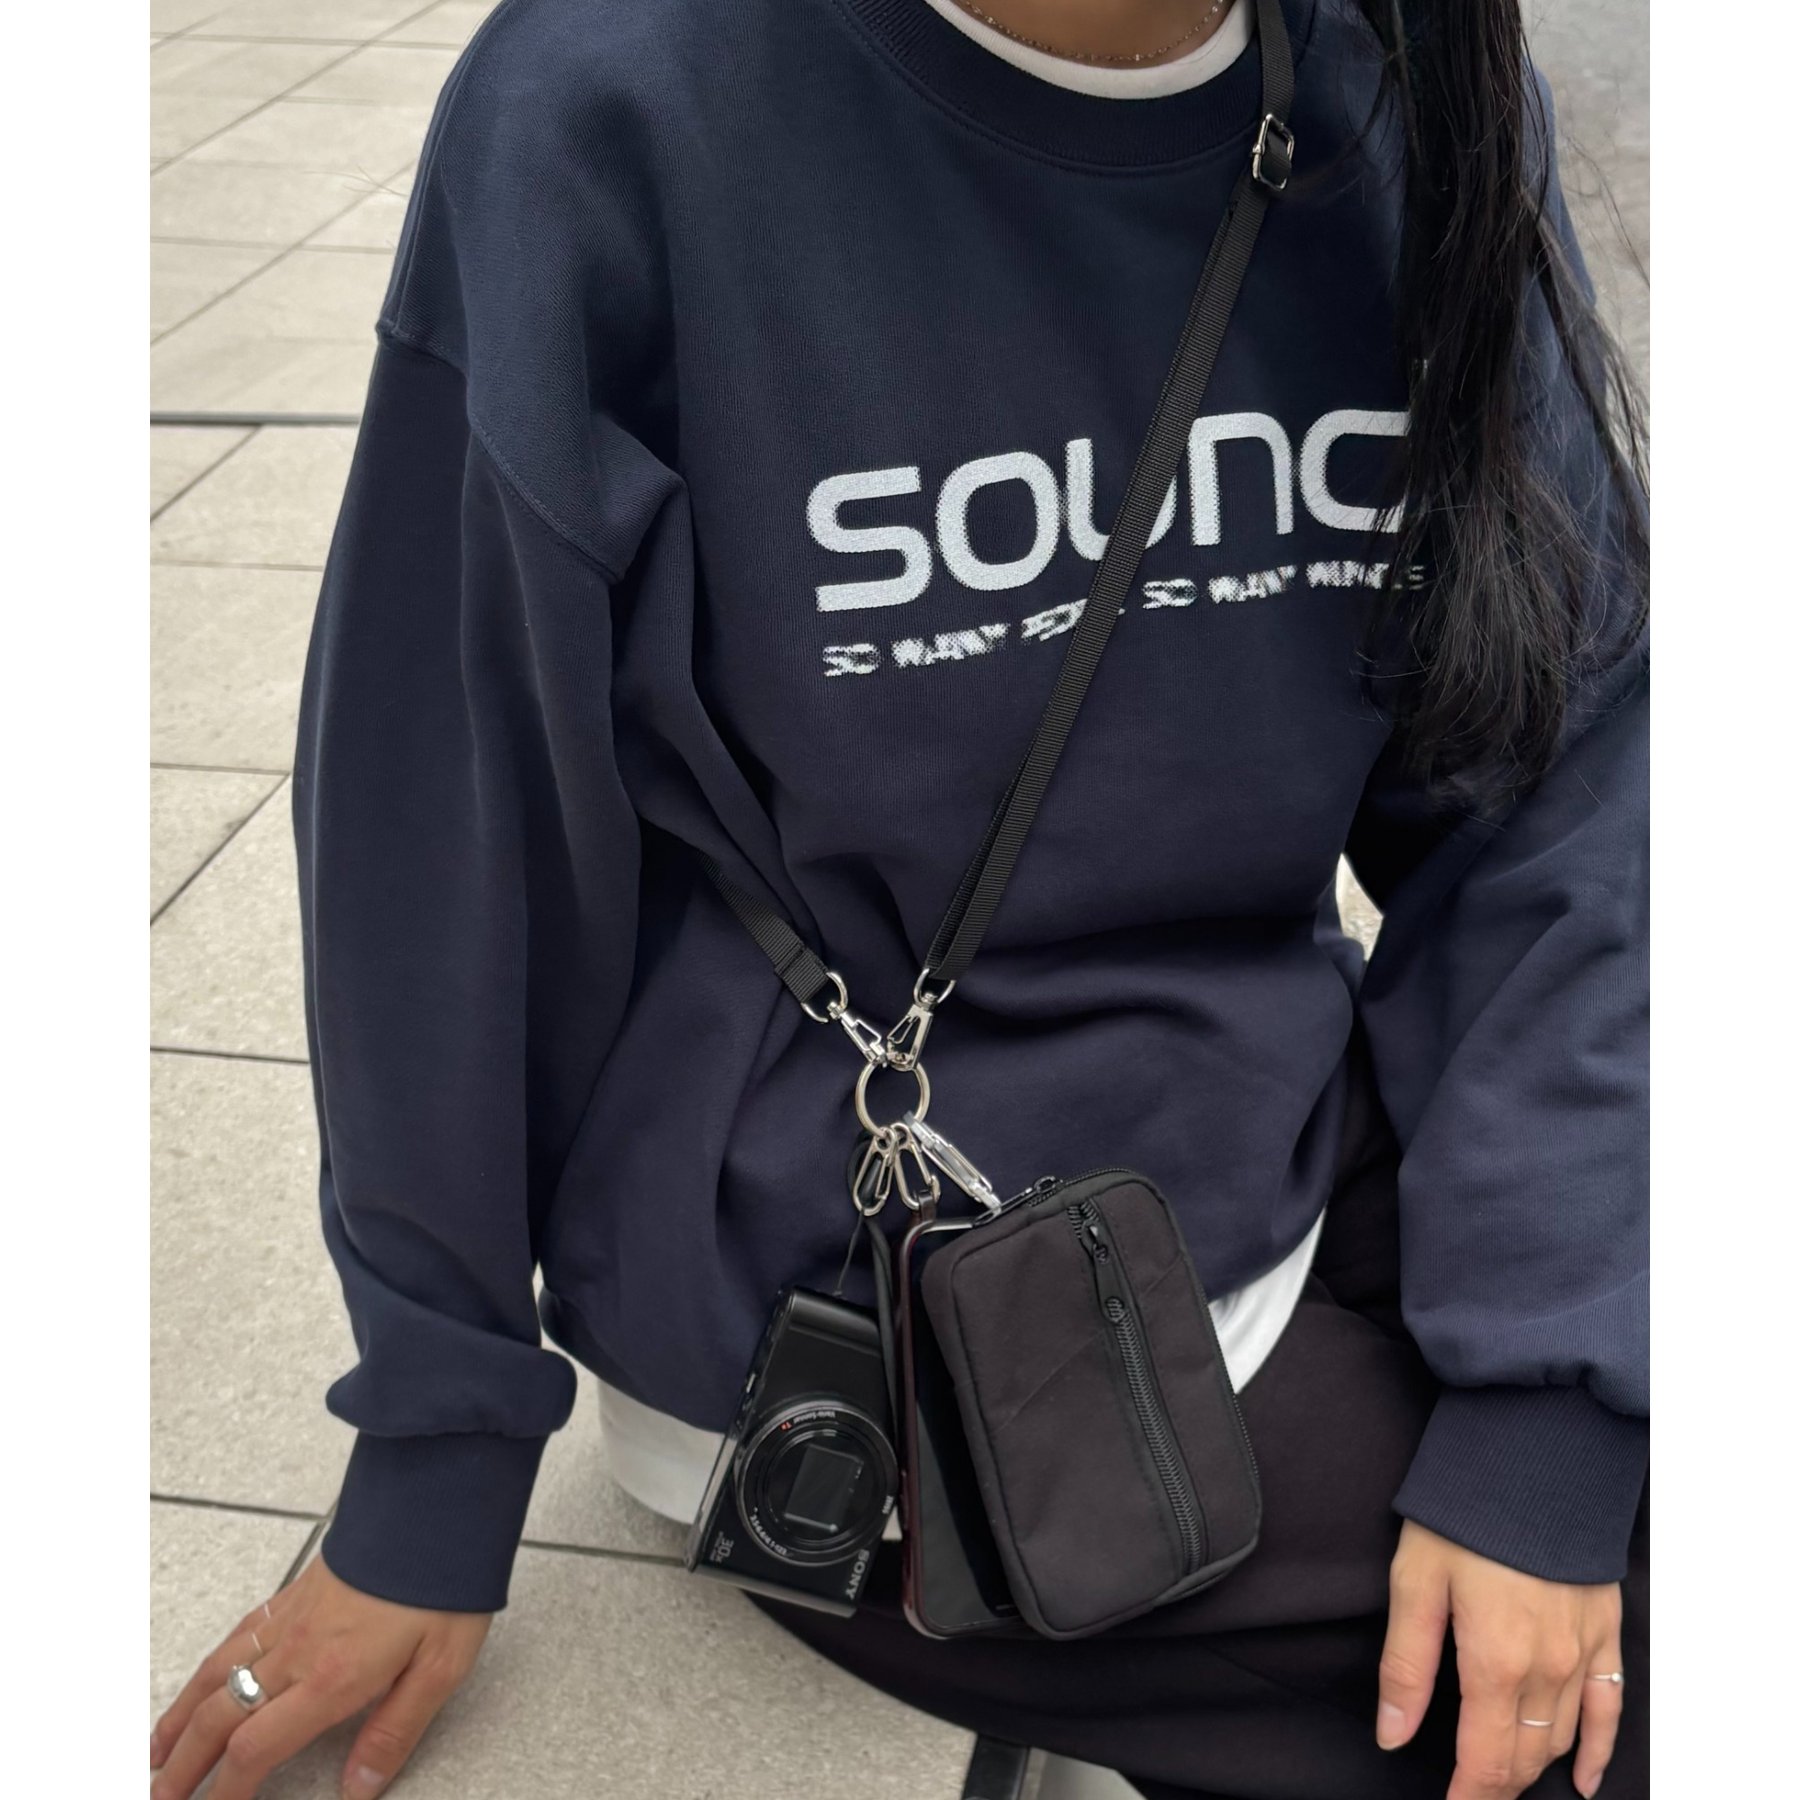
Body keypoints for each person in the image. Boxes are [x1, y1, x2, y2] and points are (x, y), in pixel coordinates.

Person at [148, 0, 1649, 1796]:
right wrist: (433, 1459)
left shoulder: (1413, 86)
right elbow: (446, 836)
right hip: (862, 1309)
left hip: (1278, 1115)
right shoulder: (612, 101)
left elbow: (1569, 796)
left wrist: (1550, 1415)